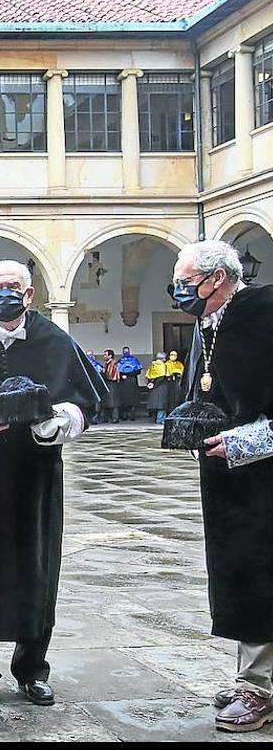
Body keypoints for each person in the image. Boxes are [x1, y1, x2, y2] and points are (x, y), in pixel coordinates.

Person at [0, 260, 105, 709]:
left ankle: (32, 669)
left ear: (29, 296)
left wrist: (58, 421)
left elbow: (87, 400)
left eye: (15, 288)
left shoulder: (52, 339)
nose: (5, 295)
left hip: (37, 475)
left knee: (37, 568)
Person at [169, 241, 273, 733]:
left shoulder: (264, 313)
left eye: (186, 282)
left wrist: (242, 441)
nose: (180, 293)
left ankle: (259, 689)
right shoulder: (208, 322)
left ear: (218, 279)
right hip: (229, 480)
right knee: (239, 576)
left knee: (260, 576)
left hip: (264, 477)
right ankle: (252, 676)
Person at [144, 352, 173, 424]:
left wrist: (151, 384)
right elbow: (162, 377)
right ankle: (161, 420)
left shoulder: (153, 364)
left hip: (153, 388)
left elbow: (148, 375)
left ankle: (157, 419)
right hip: (162, 387)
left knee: (156, 404)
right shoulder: (162, 365)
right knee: (162, 405)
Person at [116, 347, 143, 421]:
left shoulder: (134, 360)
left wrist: (128, 375)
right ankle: (124, 415)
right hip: (123, 383)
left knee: (133, 400)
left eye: (127, 351)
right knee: (124, 400)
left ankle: (132, 415)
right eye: (124, 351)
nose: (126, 353)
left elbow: (138, 370)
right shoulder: (120, 361)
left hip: (132, 381)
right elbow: (117, 370)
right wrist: (122, 375)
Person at [101, 350, 121, 423]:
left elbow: (111, 374)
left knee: (113, 402)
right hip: (107, 383)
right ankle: (106, 418)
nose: (104, 356)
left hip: (112, 383)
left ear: (110, 356)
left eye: (105, 355)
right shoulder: (106, 364)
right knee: (106, 401)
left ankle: (115, 417)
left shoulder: (113, 363)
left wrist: (103, 374)